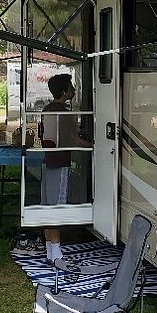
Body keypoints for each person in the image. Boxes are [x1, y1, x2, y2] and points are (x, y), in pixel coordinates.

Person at [38, 73, 90, 263]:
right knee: (57, 207)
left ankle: (49, 251)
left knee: (47, 206)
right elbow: (71, 139)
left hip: (47, 160)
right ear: (63, 92)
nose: (74, 90)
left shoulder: (47, 109)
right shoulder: (65, 113)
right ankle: (57, 252)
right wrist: (94, 144)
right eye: (71, 87)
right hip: (60, 162)